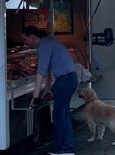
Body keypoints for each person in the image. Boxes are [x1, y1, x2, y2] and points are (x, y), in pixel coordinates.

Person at [22, 26, 77, 155]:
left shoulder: (44, 45)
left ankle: (63, 149)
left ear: (32, 37)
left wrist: (35, 97)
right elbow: (46, 69)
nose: (25, 43)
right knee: (63, 115)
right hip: (68, 79)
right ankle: (66, 146)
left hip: (64, 81)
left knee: (60, 116)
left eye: (25, 39)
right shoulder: (48, 42)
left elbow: (40, 71)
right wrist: (47, 89)